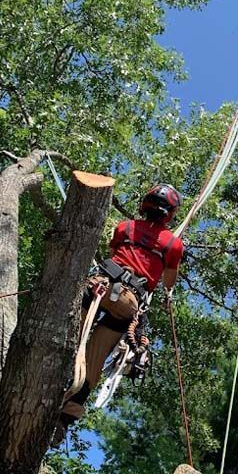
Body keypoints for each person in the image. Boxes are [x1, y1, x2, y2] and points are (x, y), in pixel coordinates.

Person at [58, 183, 184, 434]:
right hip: (127, 302)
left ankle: (54, 370)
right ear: (170, 214)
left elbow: (113, 251)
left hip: (99, 285)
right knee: (95, 357)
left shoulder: (125, 227)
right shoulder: (173, 244)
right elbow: (168, 282)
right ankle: (67, 416)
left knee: (67, 337)